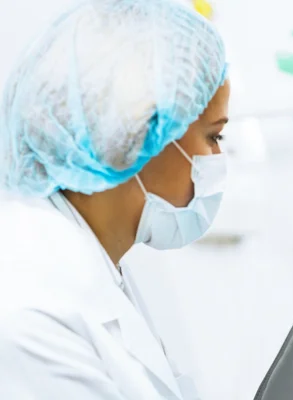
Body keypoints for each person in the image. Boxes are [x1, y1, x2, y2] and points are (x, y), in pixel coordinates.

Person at [0, 0, 228, 398]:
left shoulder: (92, 260)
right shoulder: (32, 311)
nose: (218, 160)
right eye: (213, 137)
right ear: (144, 133)